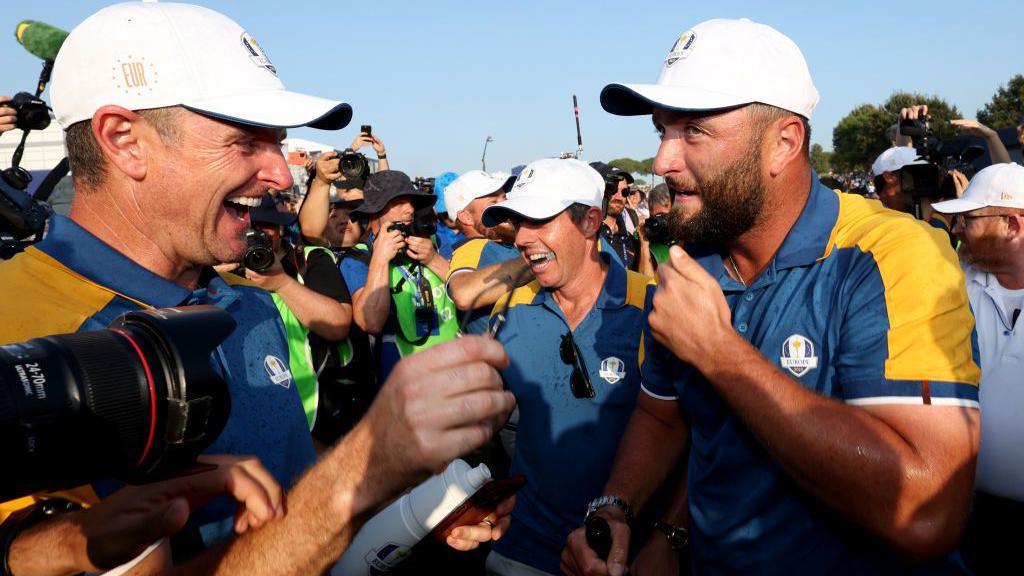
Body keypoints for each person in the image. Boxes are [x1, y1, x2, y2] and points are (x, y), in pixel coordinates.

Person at [0, 3, 514, 573]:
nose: (281, 175)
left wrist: (409, 511)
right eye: (246, 141)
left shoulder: (247, 300)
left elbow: (289, 470)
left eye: (278, 142)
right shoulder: (16, 330)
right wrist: (363, 473)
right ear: (124, 140)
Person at [562, 18, 980, 575]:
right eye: (662, 130)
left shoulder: (892, 258)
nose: (662, 161)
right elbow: (665, 416)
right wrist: (621, 509)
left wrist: (718, 351)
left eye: (695, 132)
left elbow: (926, 513)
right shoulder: (694, 265)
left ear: (783, 142)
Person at [478, 158, 656, 576]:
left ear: (591, 221)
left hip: (615, 558)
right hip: (520, 550)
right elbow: (488, 417)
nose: (522, 238)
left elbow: (688, 434)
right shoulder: (510, 311)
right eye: (517, 222)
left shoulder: (652, 306)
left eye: (539, 220)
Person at [930, 163, 1024, 575]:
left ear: (1012, 224)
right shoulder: (952, 285)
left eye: (968, 219)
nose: (957, 229)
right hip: (971, 517)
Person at [341, 170, 458, 383]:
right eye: (399, 202)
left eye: (412, 202)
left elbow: (466, 292)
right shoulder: (358, 259)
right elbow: (371, 323)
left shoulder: (434, 242)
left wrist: (433, 260)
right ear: (375, 211)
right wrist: (380, 259)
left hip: (456, 368)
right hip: (404, 384)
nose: (410, 209)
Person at [444, 170, 530, 335]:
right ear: (466, 217)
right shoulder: (473, 247)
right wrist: (536, 261)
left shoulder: (503, 243)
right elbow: (463, 293)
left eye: (504, 199)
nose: (505, 207)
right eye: (493, 202)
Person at [870, 146, 961, 246]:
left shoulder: (931, 215)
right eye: (918, 173)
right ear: (889, 177)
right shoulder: (875, 222)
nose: (925, 180)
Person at [590, 162, 641, 270]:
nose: (619, 196)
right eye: (613, 189)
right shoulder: (588, 234)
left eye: (624, 191)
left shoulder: (631, 241)